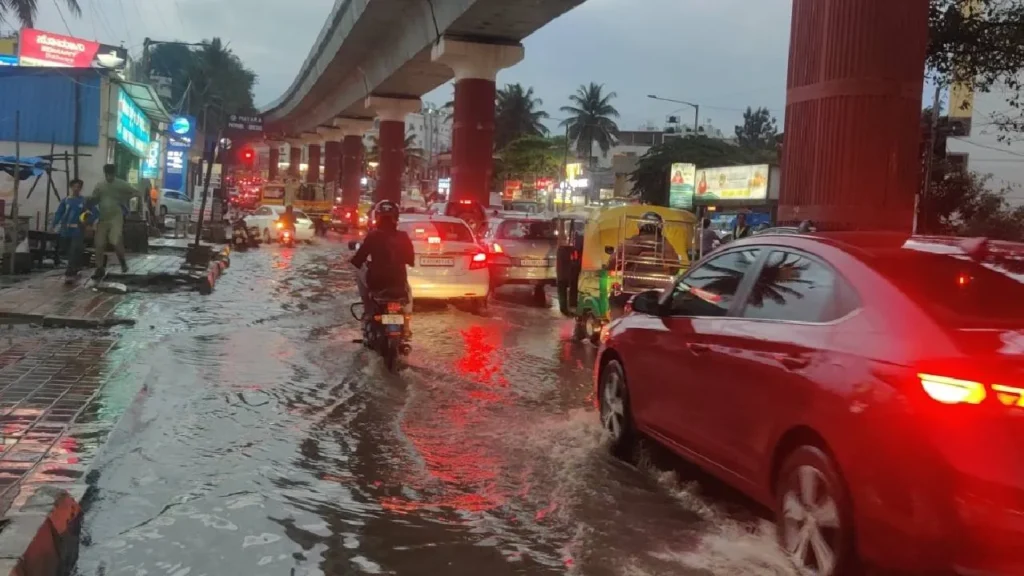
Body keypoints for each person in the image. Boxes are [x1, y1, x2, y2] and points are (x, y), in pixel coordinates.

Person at [350, 200, 415, 336]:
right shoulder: (403, 236)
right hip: (398, 282)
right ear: (396, 218)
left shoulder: (373, 236)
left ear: (377, 217)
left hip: (377, 282)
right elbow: (411, 260)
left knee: (358, 272)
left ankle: (368, 311)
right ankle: (407, 326)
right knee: (408, 290)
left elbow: (358, 260)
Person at [88, 164, 134, 278]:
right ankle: (99, 268)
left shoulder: (121, 184)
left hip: (116, 218)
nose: (109, 177)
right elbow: (95, 198)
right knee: (99, 243)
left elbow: (135, 192)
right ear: (105, 174)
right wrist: (89, 202)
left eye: (111, 175)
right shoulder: (100, 185)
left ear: (114, 174)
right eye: (107, 175)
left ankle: (122, 262)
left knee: (114, 240)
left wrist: (124, 199)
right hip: (103, 218)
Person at [52, 179, 89, 283]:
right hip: (65, 230)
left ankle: (70, 270)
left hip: (77, 229)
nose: (76, 189)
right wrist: (54, 224)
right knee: (68, 250)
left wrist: (85, 221)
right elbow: (59, 213)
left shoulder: (83, 201)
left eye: (78, 187)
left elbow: (89, 213)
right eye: (74, 186)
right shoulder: (65, 201)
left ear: (81, 188)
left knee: (74, 249)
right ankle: (76, 266)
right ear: (71, 187)